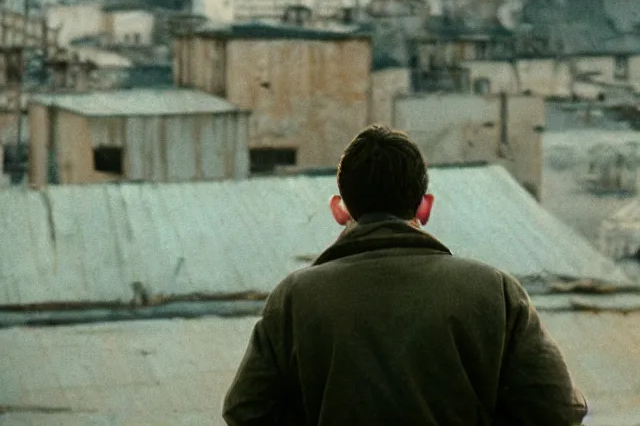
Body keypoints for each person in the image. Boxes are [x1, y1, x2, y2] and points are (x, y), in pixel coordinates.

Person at [223, 125, 588, 426]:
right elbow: (556, 410)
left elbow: (245, 412)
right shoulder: (495, 292)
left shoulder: (294, 299)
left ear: (341, 209)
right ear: (424, 206)